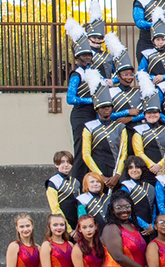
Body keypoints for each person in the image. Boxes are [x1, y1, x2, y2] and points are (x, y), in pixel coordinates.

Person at [81, 69, 127, 189]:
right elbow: (86, 154)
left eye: (109, 107)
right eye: (103, 107)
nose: (106, 109)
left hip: (116, 172)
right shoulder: (89, 127)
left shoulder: (120, 127)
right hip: (98, 171)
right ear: (97, 109)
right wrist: (100, 176)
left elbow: (123, 153)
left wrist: (117, 175)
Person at [65, 18, 97, 182]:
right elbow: (70, 98)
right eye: (83, 55)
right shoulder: (77, 73)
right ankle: (77, 182)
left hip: (93, 115)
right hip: (80, 115)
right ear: (78, 57)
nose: (87, 58)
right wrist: (90, 101)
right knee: (81, 149)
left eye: (89, 55)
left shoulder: (93, 72)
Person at [120, 156, 156, 238]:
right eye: (131, 168)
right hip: (134, 227)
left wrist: (153, 226)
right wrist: (146, 226)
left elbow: (154, 207)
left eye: (137, 167)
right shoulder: (125, 187)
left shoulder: (150, 187)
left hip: (151, 229)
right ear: (127, 171)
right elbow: (126, 210)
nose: (134, 170)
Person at [46, 150, 80, 233]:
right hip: (62, 226)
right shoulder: (53, 182)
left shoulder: (75, 182)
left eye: (68, 162)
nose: (66, 165)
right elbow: (55, 208)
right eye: (62, 162)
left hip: (76, 224)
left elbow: (80, 205)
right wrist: (69, 230)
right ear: (56, 164)